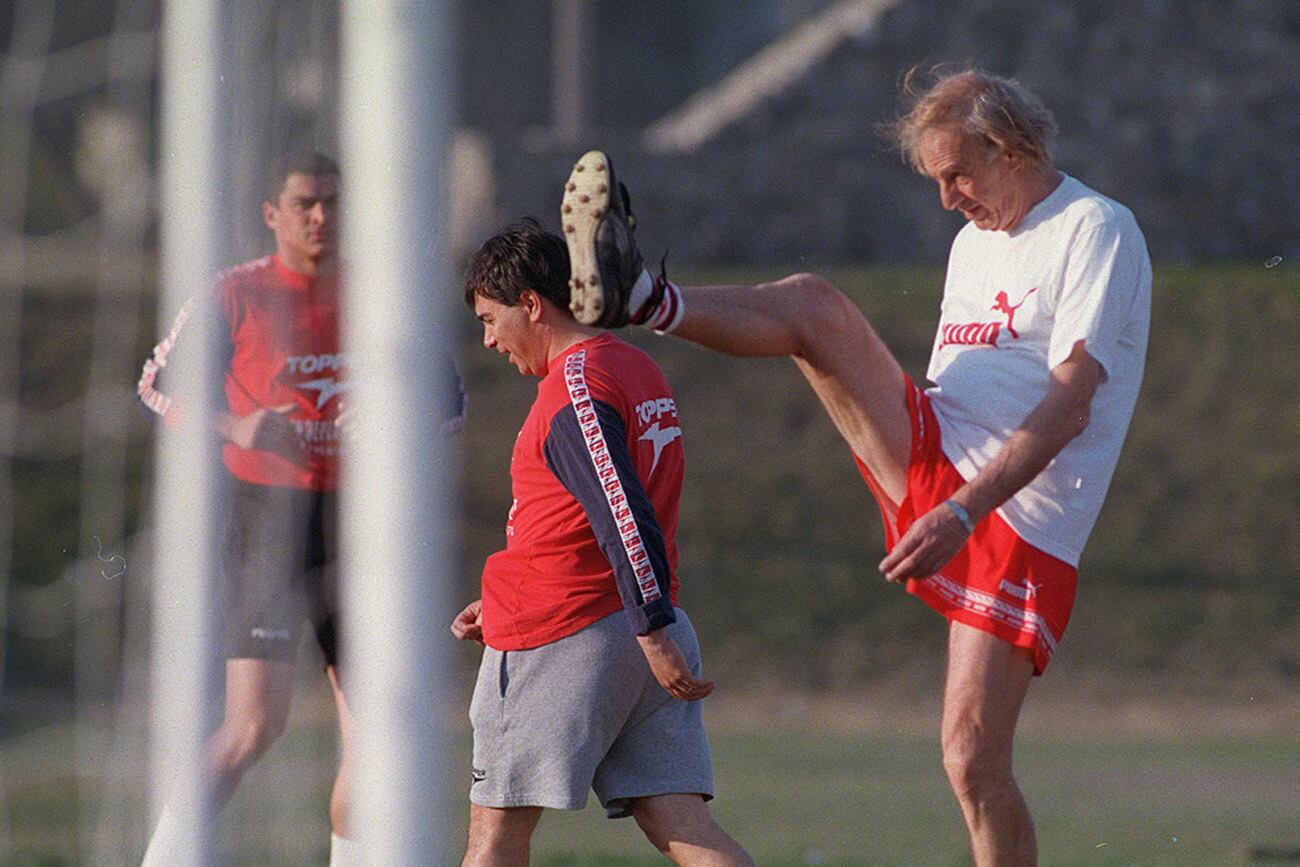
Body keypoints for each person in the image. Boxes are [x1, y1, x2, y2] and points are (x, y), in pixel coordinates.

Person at [563, 67, 1151, 867]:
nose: (949, 198)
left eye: (958, 174)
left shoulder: (1095, 229)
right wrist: (940, 496)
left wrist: (964, 511)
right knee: (813, 305)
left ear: (1010, 147)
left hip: (1017, 515)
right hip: (936, 461)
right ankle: (639, 298)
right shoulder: (972, 242)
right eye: (938, 180)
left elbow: (1069, 405)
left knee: (971, 759)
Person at [137, 151, 463, 866]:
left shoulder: (381, 291)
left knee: (376, 742)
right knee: (254, 724)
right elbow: (156, 387)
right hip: (264, 522)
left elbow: (449, 402)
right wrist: (236, 424)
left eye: (335, 203)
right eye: (306, 203)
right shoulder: (234, 293)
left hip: (358, 524)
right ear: (272, 214)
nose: (322, 217)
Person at [451, 219, 753, 867]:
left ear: (531, 304)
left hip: (568, 635)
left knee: (494, 835)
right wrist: (497, 602)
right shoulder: (635, 365)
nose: (487, 338)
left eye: (489, 317)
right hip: (631, 629)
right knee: (685, 826)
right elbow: (577, 518)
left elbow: (622, 510)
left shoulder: (573, 388)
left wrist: (652, 632)